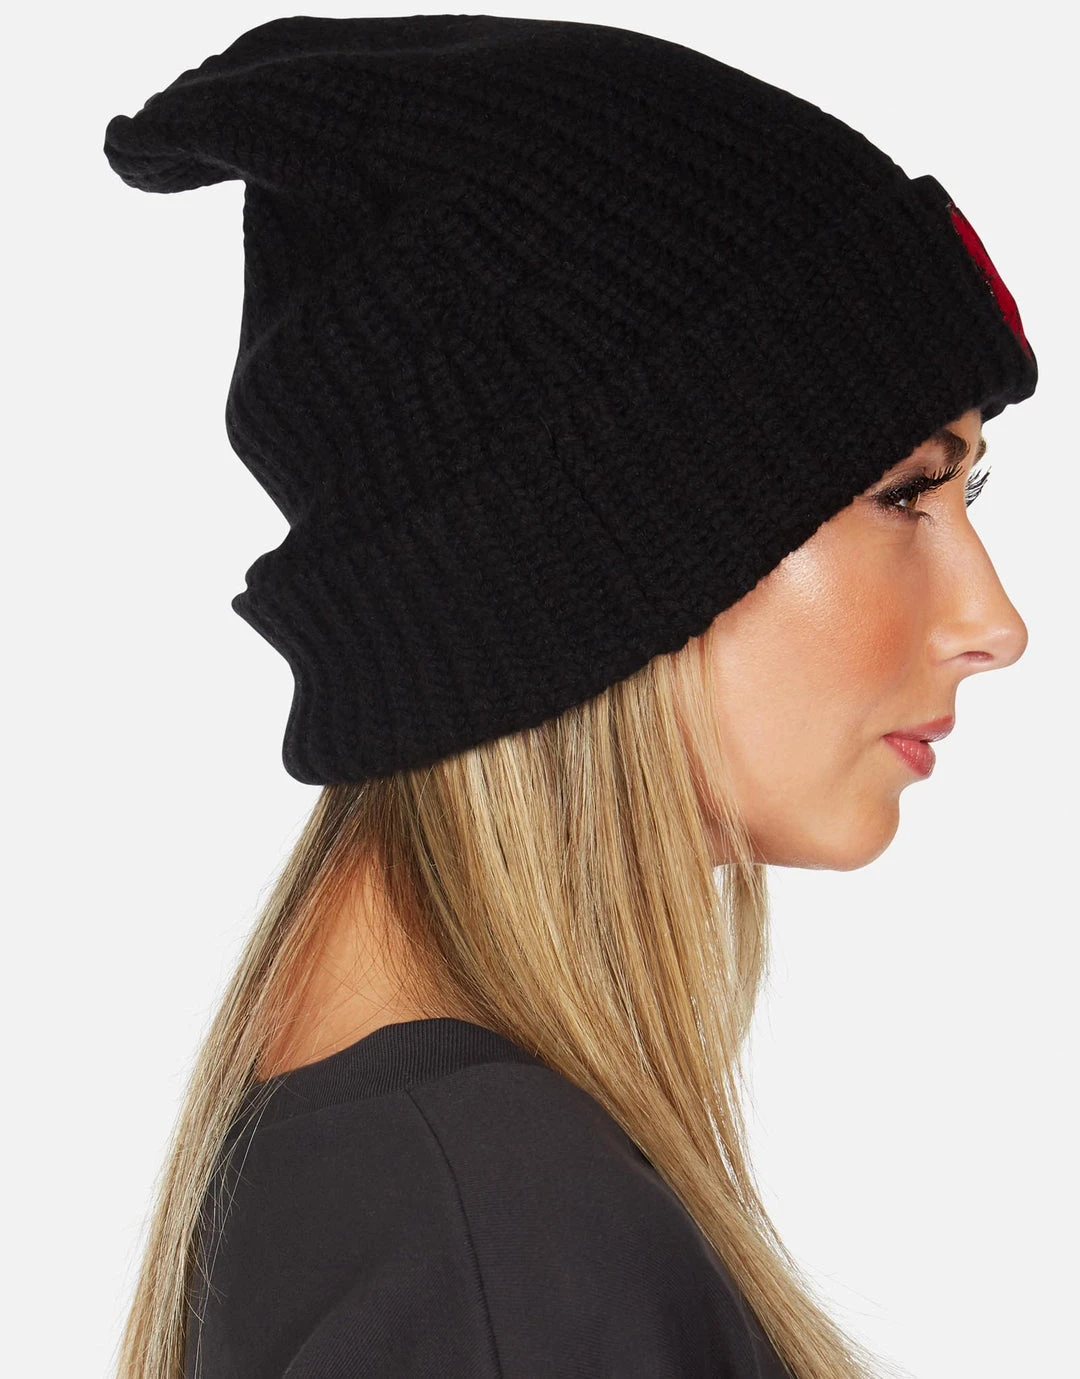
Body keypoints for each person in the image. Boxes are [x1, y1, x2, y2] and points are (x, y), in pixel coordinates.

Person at [102, 14, 1037, 1379]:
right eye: (905, 492)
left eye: (970, 492)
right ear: (596, 563)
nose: (993, 624)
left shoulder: (427, 1185)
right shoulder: (497, 1240)